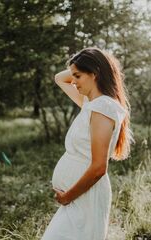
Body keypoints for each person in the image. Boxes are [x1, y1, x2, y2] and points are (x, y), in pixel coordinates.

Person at [41, 47, 133, 240]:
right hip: (78, 198)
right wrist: (85, 61)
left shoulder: (103, 108)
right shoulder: (90, 103)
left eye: (78, 76)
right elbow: (59, 78)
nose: (73, 81)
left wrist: (67, 196)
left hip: (84, 197)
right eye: (73, 76)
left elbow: (99, 167)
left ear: (95, 74)